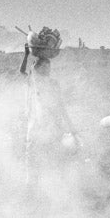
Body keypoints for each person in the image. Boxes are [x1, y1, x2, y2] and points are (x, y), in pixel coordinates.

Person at [18, 41, 78, 181]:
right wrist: (26, 55)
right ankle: (31, 183)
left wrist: (70, 127)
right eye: (45, 68)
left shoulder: (53, 84)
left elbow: (61, 106)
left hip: (52, 125)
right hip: (36, 126)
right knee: (32, 156)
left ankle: (55, 182)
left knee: (54, 155)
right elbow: (22, 72)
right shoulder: (34, 82)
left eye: (49, 68)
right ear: (38, 69)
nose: (48, 71)